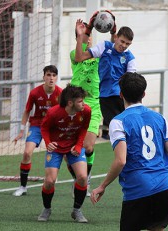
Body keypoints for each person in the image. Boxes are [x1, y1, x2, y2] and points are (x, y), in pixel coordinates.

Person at [90, 72, 168, 231]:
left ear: (120, 94)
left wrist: (102, 186)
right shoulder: (160, 118)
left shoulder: (118, 122)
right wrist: (164, 175)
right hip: (163, 185)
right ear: (144, 94)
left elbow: (121, 160)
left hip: (138, 187)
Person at [75, 12, 136, 139]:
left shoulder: (130, 58)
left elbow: (131, 82)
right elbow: (79, 57)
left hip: (124, 98)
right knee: (119, 132)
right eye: (122, 41)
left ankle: (127, 157)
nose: (124, 46)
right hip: (107, 98)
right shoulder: (104, 47)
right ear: (117, 37)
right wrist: (84, 33)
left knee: (127, 132)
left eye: (127, 44)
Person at [37, 84, 91, 223]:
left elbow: (84, 128)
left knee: (83, 177)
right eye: (80, 101)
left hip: (74, 146)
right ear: (70, 103)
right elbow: (44, 128)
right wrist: (48, 142)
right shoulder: (54, 112)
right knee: (50, 181)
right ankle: (47, 208)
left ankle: (77, 211)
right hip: (55, 148)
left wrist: (79, 145)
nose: (83, 104)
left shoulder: (86, 111)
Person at [12, 65, 62, 197]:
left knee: (67, 155)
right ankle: (23, 187)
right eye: (48, 75)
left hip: (53, 128)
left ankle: (78, 183)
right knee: (27, 153)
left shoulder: (61, 93)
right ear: (44, 77)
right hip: (37, 125)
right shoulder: (34, 92)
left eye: (54, 75)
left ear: (56, 78)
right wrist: (21, 131)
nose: (51, 78)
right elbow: (27, 111)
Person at [67, 19, 103, 197]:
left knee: (88, 147)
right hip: (74, 106)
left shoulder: (97, 57)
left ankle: (85, 178)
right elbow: (78, 53)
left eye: (89, 38)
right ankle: (78, 179)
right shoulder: (75, 54)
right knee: (70, 149)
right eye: (84, 38)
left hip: (93, 105)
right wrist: (80, 35)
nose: (88, 41)